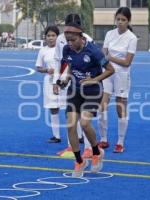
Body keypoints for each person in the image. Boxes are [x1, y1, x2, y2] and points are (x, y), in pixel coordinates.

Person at [61, 19, 114, 178]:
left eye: (73, 40)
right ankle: (79, 161)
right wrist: (66, 79)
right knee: (71, 125)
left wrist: (94, 79)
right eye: (67, 40)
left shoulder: (94, 51)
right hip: (75, 91)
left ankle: (97, 152)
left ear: (81, 37)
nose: (70, 43)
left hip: (92, 91)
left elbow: (110, 70)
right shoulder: (67, 50)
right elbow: (71, 66)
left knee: (84, 123)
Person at [53, 13, 94, 159]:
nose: (69, 31)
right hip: (68, 79)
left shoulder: (87, 39)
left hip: (85, 81)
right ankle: (72, 147)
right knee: (71, 115)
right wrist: (56, 81)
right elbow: (58, 61)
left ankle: (89, 148)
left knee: (85, 117)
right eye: (67, 28)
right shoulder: (60, 39)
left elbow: (95, 63)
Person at [98, 7, 137, 153]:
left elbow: (127, 62)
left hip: (122, 75)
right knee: (102, 106)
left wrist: (111, 58)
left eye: (123, 20)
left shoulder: (132, 38)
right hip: (107, 73)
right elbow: (103, 53)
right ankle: (103, 139)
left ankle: (120, 142)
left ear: (128, 21)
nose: (120, 22)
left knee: (120, 108)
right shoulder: (109, 33)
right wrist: (104, 63)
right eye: (118, 19)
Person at [35, 25, 62, 143]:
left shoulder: (62, 48)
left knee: (71, 108)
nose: (51, 38)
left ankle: (79, 136)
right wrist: (46, 70)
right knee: (53, 108)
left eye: (53, 35)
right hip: (49, 82)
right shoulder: (43, 50)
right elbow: (38, 67)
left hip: (64, 81)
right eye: (48, 36)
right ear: (45, 37)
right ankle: (56, 136)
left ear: (58, 36)